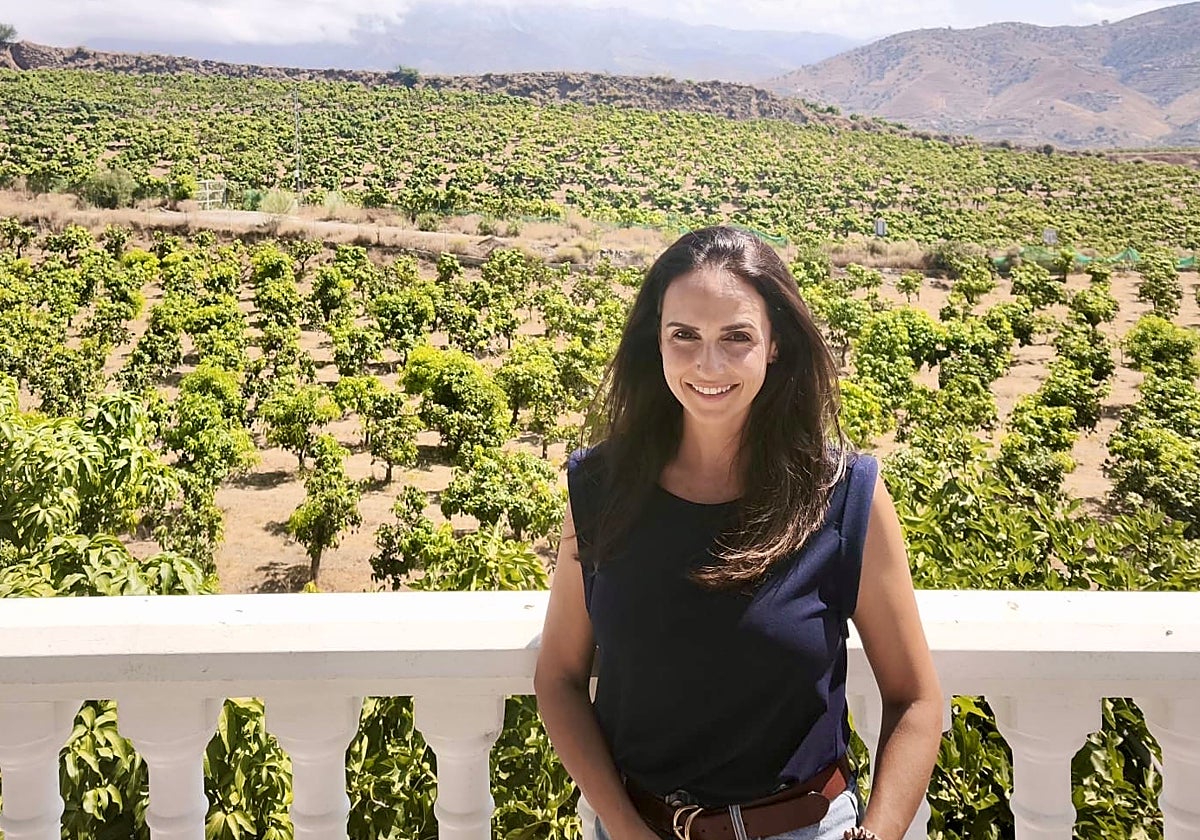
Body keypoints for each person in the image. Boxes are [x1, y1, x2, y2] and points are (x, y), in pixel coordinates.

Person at [534, 226, 943, 840]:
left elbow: (915, 698)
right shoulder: (599, 489)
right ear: (657, 340)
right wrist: (622, 825)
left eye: (737, 337)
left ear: (775, 345)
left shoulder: (842, 495)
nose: (708, 364)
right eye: (685, 336)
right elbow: (559, 677)